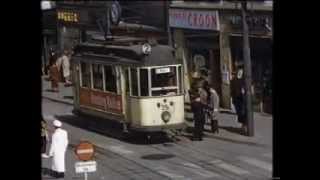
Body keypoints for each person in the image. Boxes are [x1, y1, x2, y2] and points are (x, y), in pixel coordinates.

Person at [189, 74, 207, 141]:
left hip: (199, 106)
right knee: (199, 122)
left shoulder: (199, 89)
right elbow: (194, 97)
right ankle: (198, 135)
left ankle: (199, 135)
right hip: (198, 107)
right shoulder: (194, 89)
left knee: (200, 122)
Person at [231, 66, 247, 133]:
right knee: (239, 113)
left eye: (241, 72)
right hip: (237, 99)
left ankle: (244, 126)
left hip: (243, 99)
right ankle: (243, 126)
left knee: (244, 113)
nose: (239, 73)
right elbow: (232, 89)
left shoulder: (244, 80)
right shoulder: (234, 80)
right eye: (239, 71)